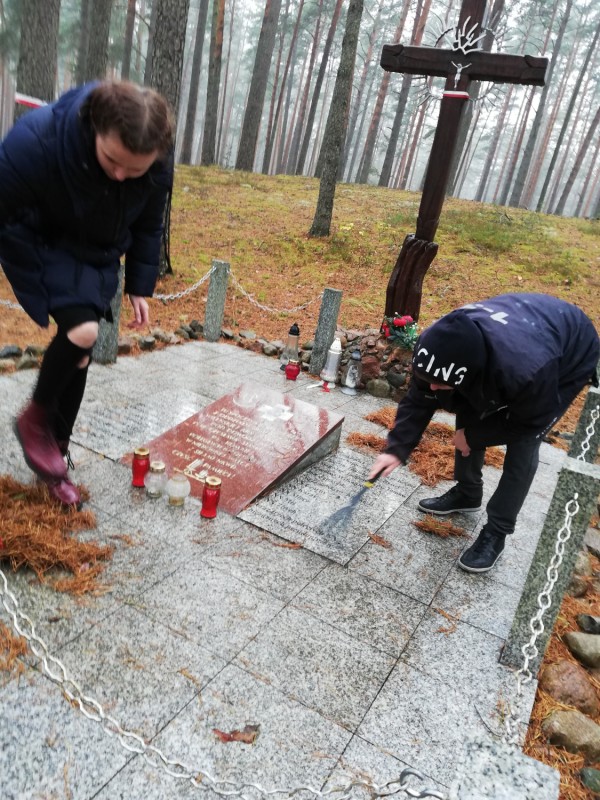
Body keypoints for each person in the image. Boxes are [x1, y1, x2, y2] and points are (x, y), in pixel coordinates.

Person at [0, 80, 174, 507]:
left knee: (78, 356)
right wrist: (34, 273)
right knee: (82, 332)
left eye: (133, 170)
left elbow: (149, 224)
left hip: (96, 256)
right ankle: (34, 420)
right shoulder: (36, 140)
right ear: (95, 126)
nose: (120, 175)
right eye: (112, 160)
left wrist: (138, 285)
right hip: (43, 239)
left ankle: (55, 453)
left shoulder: (156, 162)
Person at [369, 293, 599, 573]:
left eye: (439, 384)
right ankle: (468, 493)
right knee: (468, 406)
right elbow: (420, 397)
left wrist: (474, 437)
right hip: (521, 327)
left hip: (569, 351)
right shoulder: (437, 345)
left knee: (524, 445)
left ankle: (497, 531)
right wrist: (396, 448)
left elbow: (528, 423)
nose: (432, 388)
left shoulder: (526, 372)